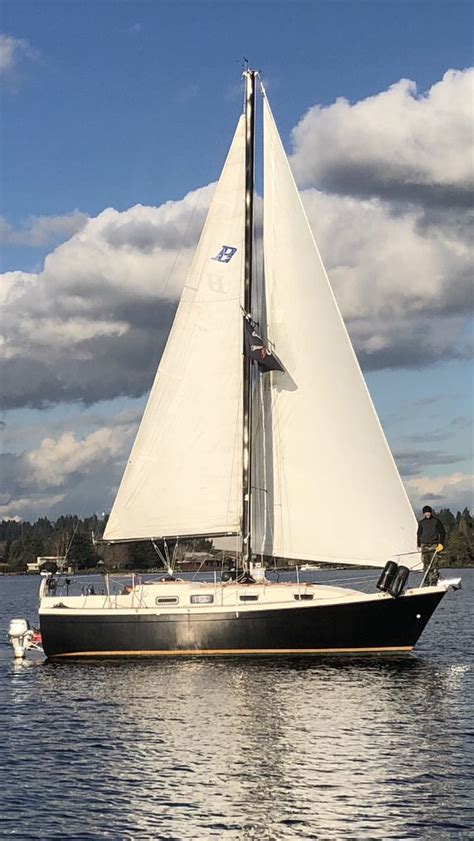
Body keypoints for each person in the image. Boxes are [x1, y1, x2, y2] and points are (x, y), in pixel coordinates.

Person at [417, 505, 446, 585]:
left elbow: (442, 532)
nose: (427, 514)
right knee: (426, 564)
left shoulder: (436, 521)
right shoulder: (421, 523)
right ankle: (426, 582)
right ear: (424, 514)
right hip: (424, 545)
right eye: (426, 513)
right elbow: (418, 534)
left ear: (431, 512)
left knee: (434, 564)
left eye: (428, 512)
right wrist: (418, 545)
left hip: (434, 545)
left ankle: (433, 581)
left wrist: (441, 543)